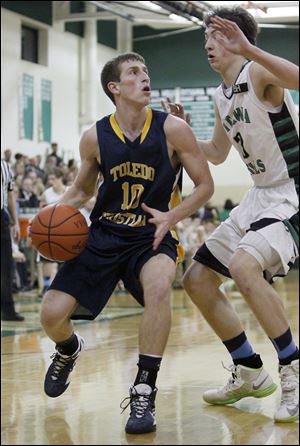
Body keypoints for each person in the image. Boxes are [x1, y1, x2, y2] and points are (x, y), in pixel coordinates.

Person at [31, 52, 214, 434]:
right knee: (50, 313)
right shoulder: (94, 136)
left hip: (153, 234)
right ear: (115, 88)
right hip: (103, 235)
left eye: (146, 71)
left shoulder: (172, 129)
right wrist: (46, 215)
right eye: (134, 72)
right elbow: (81, 191)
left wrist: (172, 217)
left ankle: (144, 388)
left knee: (160, 285)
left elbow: (205, 185)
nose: (145, 77)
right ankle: (68, 349)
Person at [164, 6, 299, 423]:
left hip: (292, 193)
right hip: (259, 196)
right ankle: (249, 370)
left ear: (241, 40)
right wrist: (186, 134)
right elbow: (219, 155)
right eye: (207, 35)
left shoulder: (258, 74)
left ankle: (293, 371)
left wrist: (251, 51)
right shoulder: (223, 95)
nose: (209, 43)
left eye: (219, 35)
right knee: (198, 280)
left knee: (243, 268)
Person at [1, 159, 25, 321]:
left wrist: (16, 222)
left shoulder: (5, 165)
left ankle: (8, 309)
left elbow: (10, 195)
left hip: (2, 216)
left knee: (6, 266)